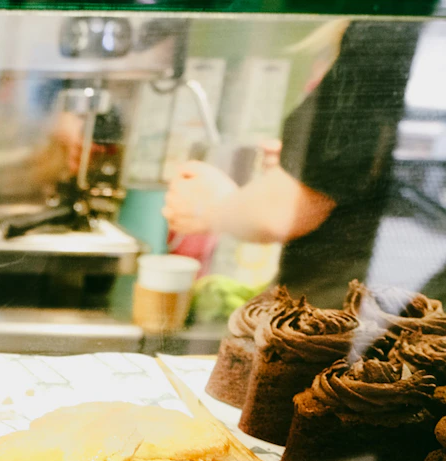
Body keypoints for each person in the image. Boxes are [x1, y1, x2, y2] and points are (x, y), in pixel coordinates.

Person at [162, 19, 423, 309]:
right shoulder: (402, 30)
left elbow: (286, 211)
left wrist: (212, 207)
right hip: (377, 312)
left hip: (339, 323)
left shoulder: (383, 30)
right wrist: (299, 166)